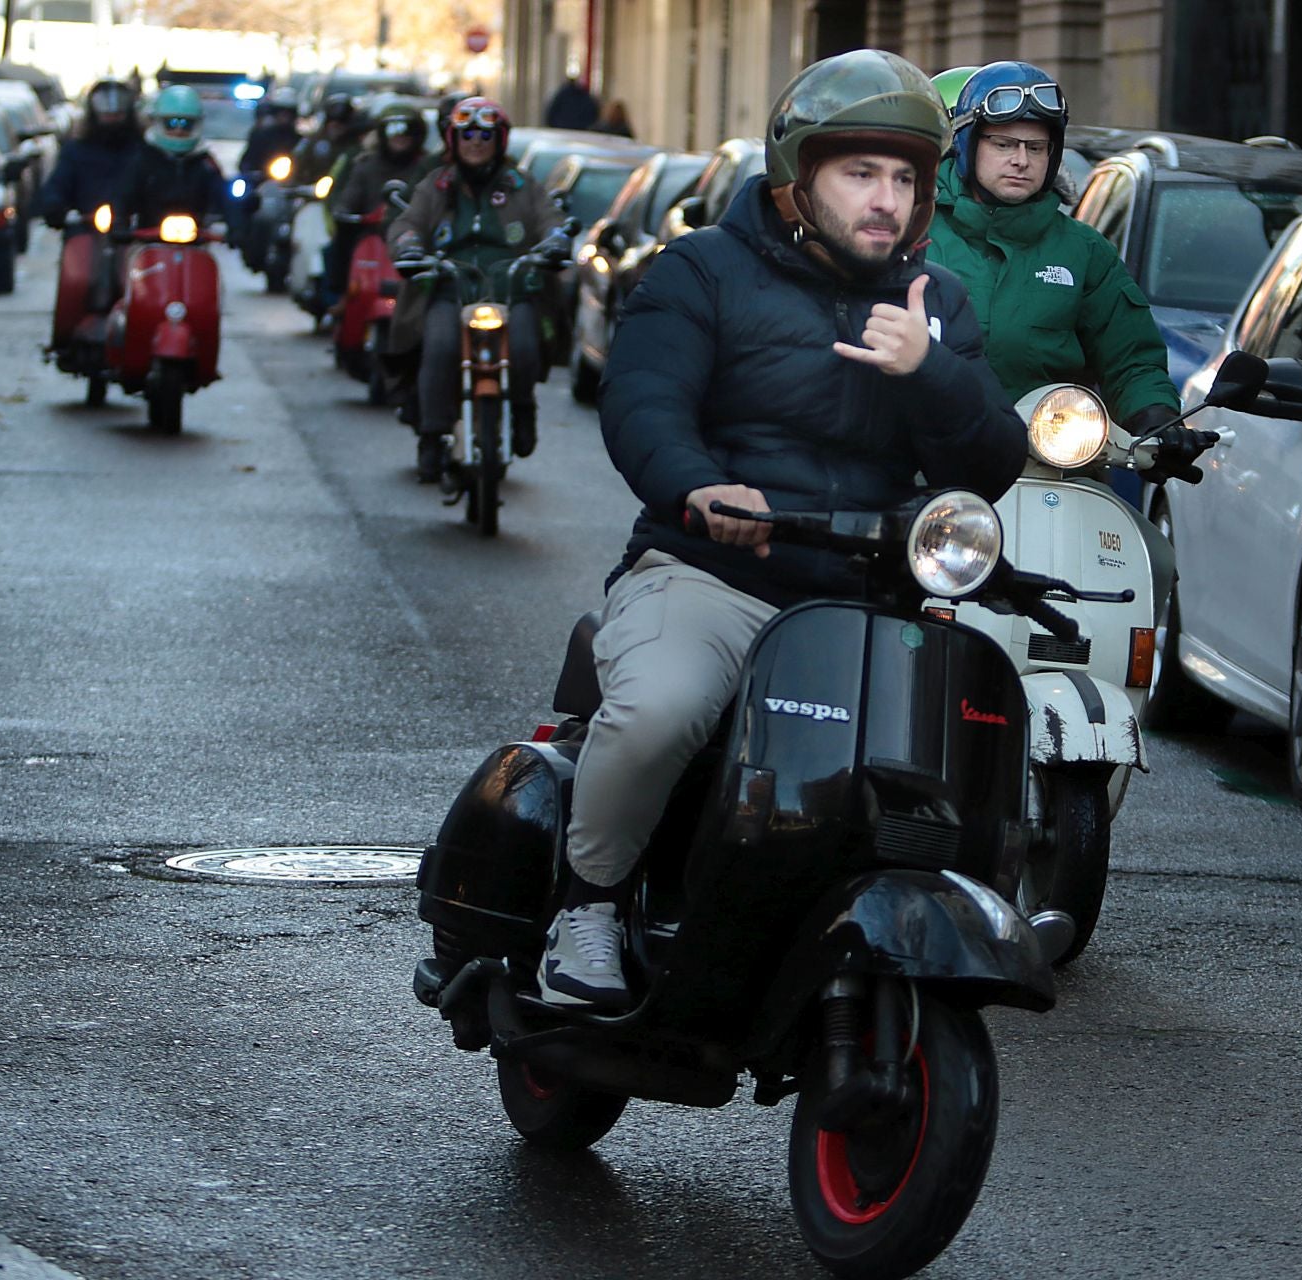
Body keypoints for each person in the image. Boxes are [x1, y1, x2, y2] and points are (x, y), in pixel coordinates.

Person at [536, 50, 1025, 1009]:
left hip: (869, 600)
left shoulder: (937, 308)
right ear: (800, 180)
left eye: (904, 178)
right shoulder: (704, 269)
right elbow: (641, 404)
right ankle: (585, 905)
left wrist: (930, 372)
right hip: (712, 575)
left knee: (960, 747)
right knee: (663, 710)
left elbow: (991, 464)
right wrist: (702, 489)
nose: (885, 198)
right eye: (860, 172)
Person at [923, 62, 1212, 491]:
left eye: (1036, 148)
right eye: (1004, 144)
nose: (1021, 161)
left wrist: (1157, 418)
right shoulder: (914, 228)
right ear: (966, 144)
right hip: (922, 468)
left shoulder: (1084, 251)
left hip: (1048, 473)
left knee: (1152, 557)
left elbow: (1131, 359)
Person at [388, 97, 562, 481]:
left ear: (500, 140)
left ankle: (521, 407)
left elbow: (551, 218)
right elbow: (408, 223)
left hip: (512, 289)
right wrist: (410, 246)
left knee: (525, 345)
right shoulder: (436, 184)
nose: (476, 141)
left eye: (486, 134)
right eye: (467, 133)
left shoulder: (523, 184)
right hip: (450, 286)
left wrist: (554, 241)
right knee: (439, 345)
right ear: (453, 138)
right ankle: (432, 436)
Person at [325, 100, 430, 302]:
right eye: (393, 130)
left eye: (407, 130)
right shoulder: (366, 165)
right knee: (336, 246)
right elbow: (349, 198)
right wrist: (345, 212)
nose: (399, 137)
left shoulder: (426, 167)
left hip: (415, 235)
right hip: (371, 234)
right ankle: (341, 298)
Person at [112, 84, 232, 230]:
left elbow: (225, 198)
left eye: (187, 124)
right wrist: (118, 223)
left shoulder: (205, 163)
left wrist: (236, 226)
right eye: (171, 123)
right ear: (158, 122)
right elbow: (122, 194)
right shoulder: (142, 159)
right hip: (147, 239)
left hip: (197, 242)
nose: (178, 130)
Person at [37, 79, 145, 229]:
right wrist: (54, 206)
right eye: (105, 110)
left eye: (118, 111)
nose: (112, 115)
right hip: (85, 231)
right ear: (94, 111)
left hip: (132, 235)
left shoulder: (143, 151)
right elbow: (58, 184)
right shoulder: (76, 151)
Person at [292, 94, 358, 184]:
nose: (336, 128)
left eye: (342, 123)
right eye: (333, 123)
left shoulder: (353, 146)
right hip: (309, 185)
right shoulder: (313, 141)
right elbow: (298, 161)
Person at [238, 88, 302, 175]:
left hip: (290, 183)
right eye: (281, 111)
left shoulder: (299, 140)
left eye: (288, 112)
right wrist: (252, 172)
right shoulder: (261, 136)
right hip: (262, 181)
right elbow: (247, 161)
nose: (284, 116)